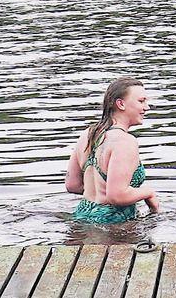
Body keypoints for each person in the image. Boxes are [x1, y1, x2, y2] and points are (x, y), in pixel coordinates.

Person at [65, 76, 160, 224]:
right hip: (113, 224)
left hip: (81, 217)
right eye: (141, 101)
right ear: (121, 104)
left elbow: (72, 185)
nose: (146, 107)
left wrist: (96, 192)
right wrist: (148, 193)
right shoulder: (124, 141)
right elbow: (116, 196)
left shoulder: (88, 134)